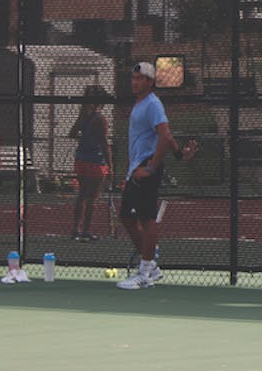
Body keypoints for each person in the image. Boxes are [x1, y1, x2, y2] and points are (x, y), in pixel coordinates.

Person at [117, 61, 198, 290]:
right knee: (127, 217)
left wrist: (151, 167)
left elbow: (164, 135)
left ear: (150, 82)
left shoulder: (153, 104)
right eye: (133, 78)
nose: (135, 82)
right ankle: (150, 264)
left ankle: (144, 273)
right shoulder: (140, 103)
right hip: (136, 168)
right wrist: (180, 154)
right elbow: (167, 137)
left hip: (146, 167)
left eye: (140, 78)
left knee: (146, 218)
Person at [68, 85, 113, 241]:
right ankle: (86, 230)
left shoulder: (83, 117)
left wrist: (84, 137)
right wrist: (110, 166)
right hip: (96, 161)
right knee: (93, 197)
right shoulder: (100, 119)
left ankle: (75, 229)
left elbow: (72, 133)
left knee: (82, 195)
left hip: (81, 159)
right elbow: (104, 144)